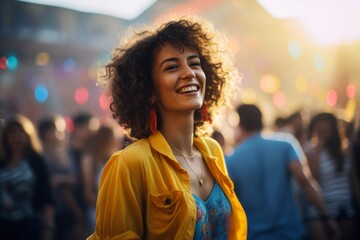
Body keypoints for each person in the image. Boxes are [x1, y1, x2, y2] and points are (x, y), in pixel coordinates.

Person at [87, 16, 247, 239]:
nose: (189, 73)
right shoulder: (129, 164)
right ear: (149, 91)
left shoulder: (213, 151)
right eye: (172, 67)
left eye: (194, 63)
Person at [226, 104, 339, 240]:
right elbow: (304, 181)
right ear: (262, 121)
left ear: (240, 124)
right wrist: (326, 216)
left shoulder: (232, 159)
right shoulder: (285, 144)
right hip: (291, 233)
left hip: (254, 235)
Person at [304, 112, 359, 240]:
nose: (323, 134)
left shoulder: (346, 148)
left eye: (326, 130)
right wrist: (318, 148)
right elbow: (311, 179)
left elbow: (353, 180)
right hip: (320, 210)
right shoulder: (309, 149)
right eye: (320, 131)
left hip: (345, 208)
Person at [0, 114, 55, 240]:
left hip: (28, 226)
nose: (16, 137)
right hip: (4, 227)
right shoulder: (2, 163)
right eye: (12, 134)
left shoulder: (35, 161)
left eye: (20, 133)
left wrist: (48, 229)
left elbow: (47, 197)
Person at [37, 115, 81, 240]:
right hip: (52, 213)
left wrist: (60, 179)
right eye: (58, 129)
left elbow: (76, 179)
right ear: (46, 133)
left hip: (70, 211)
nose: (63, 133)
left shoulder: (68, 152)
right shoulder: (41, 158)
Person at [80, 124, 119, 232]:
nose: (116, 142)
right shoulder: (89, 159)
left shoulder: (117, 158)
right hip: (98, 213)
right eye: (113, 139)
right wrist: (110, 208)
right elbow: (88, 194)